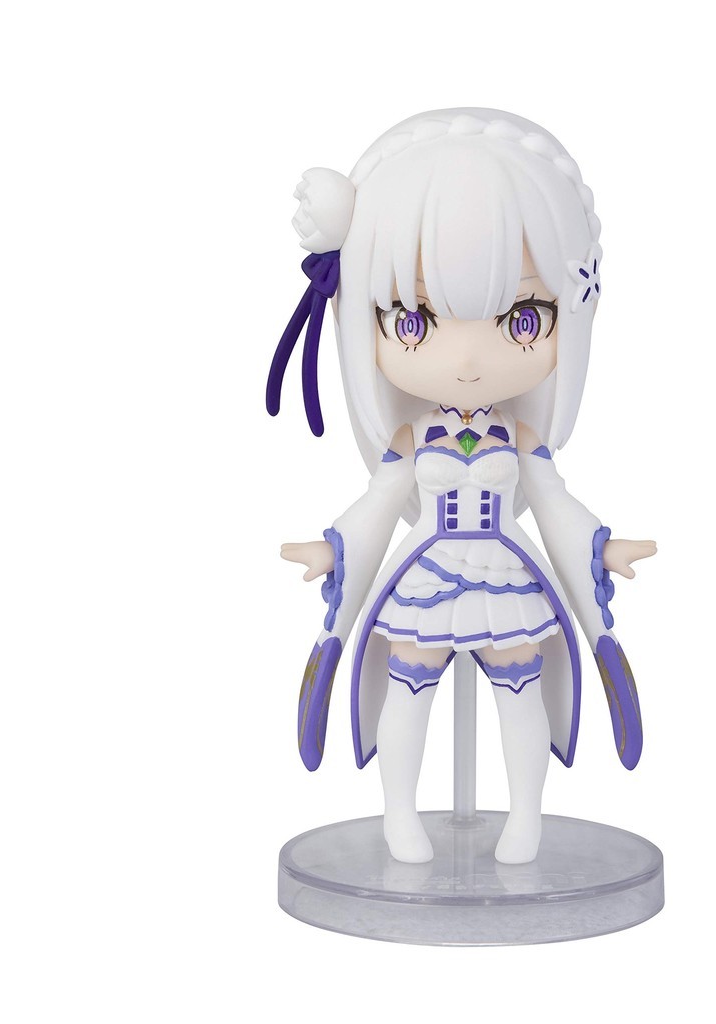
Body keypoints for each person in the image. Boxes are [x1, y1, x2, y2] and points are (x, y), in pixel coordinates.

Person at [268, 108, 655, 864]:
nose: (469, 358)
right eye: (415, 319)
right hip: (429, 577)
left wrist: (599, 547)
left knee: (520, 692)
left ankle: (526, 819)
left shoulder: (521, 437)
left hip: (507, 577)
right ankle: (400, 816)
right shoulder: (414, 440)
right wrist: (334, 549)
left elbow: (554, 503)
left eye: (522, 318)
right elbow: (379, 504)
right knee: (409, 689)